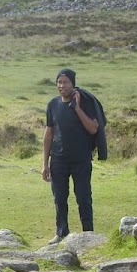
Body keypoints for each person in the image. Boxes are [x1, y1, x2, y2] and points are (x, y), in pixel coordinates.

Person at [43, 68, 104, 243]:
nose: (62, 86)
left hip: (81, 159)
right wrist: (45, 163)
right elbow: (49, 134)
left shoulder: (85, 103)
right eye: (59, 82)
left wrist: (77, 108)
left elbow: (93, 128)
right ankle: (61, 233)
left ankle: (88, 234)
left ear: (73, 84)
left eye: (66, 82)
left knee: (83, 197)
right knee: (59, 198)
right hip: (58, 159)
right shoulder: (52, 105)